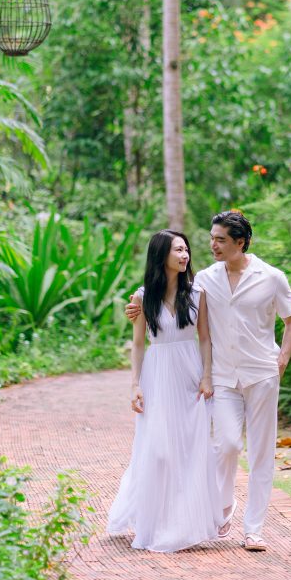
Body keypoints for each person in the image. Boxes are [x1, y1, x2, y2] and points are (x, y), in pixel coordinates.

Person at [127, 211, 291, 553]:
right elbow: (170, 296)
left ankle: (253, 530)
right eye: (211, 239)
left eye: (221, 240)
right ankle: (223, 506)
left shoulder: (272, 277)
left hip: (262, 373)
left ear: (241, 242)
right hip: (222, 376)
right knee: (227, 445)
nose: (213, 245)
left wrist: (282, 361)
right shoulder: (205, 279)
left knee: (263, 452)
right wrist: (135, 307)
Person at [107, 229, 223, 552]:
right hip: (157, 375)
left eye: (186, 250)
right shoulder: (144, 296)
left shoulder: (197, 292)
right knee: (157, 450)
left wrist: (207, 375)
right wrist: (134, 384)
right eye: (178, 250)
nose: (184, 256)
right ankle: (154, 522)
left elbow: (204, 337)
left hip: (190, 375)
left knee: (188, 447)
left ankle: (183, 523)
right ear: (162, 256)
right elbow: (139, 344)